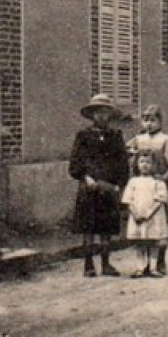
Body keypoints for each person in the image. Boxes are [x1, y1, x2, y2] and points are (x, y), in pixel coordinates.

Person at [69, 93, 131, 277]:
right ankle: (88, 265)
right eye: (98, 112)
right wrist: (85, 177)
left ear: (110, 115)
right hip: (89, 187)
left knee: (106, 228)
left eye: (105, 112)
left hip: (108, 188)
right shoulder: (83, 136)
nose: (101, 116)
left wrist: (120, 184)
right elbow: (75, 163)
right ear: (92, 115)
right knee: (88, 227)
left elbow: (122, 163)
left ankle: (106, 263)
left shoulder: (116, 136)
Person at [127, 104, 168, 274]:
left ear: (160, 121)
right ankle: (145, 264)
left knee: (160, 225)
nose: (148, 124)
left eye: (152, 120)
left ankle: (160, 259)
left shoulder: (165, 139)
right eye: (145, 120)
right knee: (143, 226)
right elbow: (127, 152)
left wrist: (162, 179)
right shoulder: (138, 139)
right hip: (142, 188)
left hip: (159, 186)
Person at [121, 151, 168, 278]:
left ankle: (153, 267)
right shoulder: (133, 181)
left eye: (148, 162)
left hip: (154, 216)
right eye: (142, 162)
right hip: (137, 215)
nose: (145, 165)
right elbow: (128, 199)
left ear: (154, 165)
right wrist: (135, 213)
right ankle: (140, 268)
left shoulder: (158, 182)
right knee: (140, 242)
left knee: (153, 242)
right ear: (136, 164)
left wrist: (148, 214)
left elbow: (160, 200)